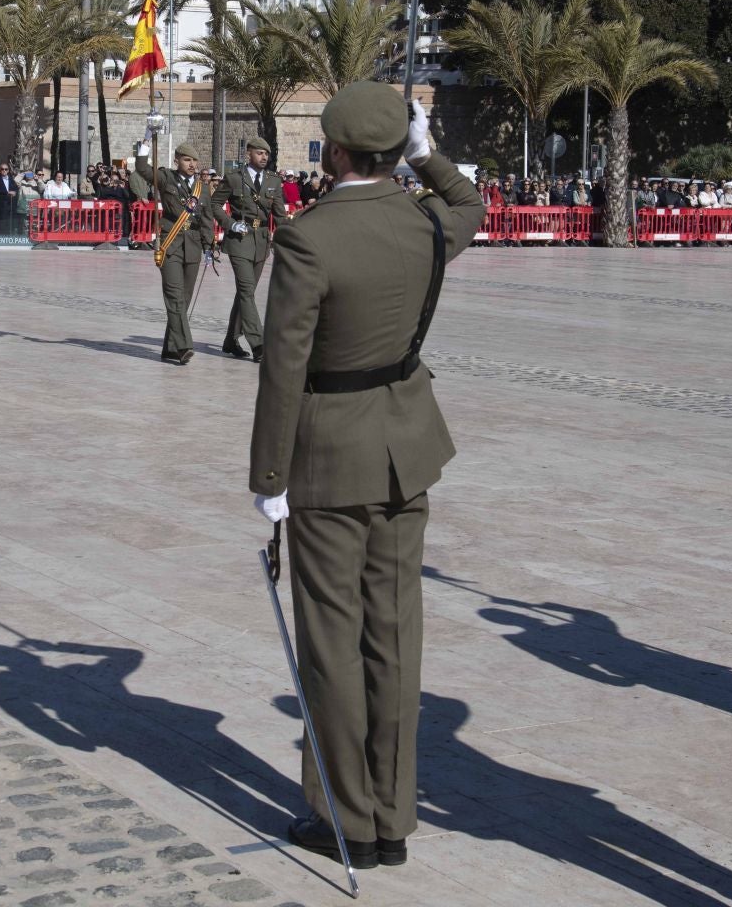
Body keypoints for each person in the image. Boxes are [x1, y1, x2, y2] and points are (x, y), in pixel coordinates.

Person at [249, 84, 484, 871]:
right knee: (394, 635)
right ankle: (392, 814)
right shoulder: (423, 221)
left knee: (331, 642)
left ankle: (343, 812)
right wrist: (429, 155)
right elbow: (471, 204)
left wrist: (269, 475)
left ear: (335, 153)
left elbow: (283, 365)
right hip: (406, 445)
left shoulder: (311, 239)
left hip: (327, 454)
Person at [135, 139, 214, 366]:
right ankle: (183, 346)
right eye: (187, 160)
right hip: (170, 244)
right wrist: (146, 144)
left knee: (184, 300)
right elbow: (143, 170)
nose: (192, 164)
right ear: (176, 160)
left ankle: (170, 348)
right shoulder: (167, 178)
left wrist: (209, 246)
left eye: (194, 160)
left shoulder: (202, 188)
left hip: (193, 246)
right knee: (174, 297)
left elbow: (207, 218)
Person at [210, 138, 286, 362]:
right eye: (260, 153)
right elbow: (215, 204)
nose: (264, 157)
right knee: (245, 290)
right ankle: (258, 343)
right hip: (239, 239)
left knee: (247, 293)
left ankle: (230, 340)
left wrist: (291, 240)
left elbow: (280, 215)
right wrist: (230, 223)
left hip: (262, 240)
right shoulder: (234, 178)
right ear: (249, 154)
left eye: (266, 154)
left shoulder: (274, 180)